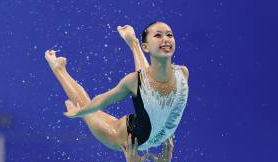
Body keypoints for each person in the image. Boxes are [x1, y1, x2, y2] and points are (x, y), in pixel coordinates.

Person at [45, 21, 189, 151]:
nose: (166, 39)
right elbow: (103, 100)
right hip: (124, 137)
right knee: (90, 111)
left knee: (145, 82)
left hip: (153, 130)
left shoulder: (182, 73)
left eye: (169, 35)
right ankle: (58, 69)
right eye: (158, 35)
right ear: (146, 47)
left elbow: (153, 90)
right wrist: (80, 112)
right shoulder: (133, 81)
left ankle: (133, 43)